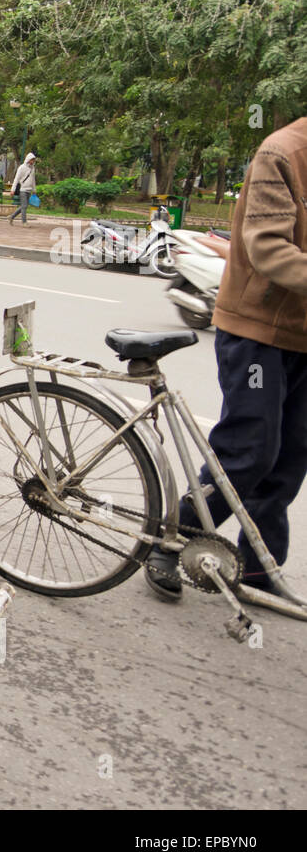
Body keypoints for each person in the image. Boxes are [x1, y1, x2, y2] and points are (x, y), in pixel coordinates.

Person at [145, 116, 307, 604]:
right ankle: (169, 540)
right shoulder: (281, 154)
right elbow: (268, 247)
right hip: (258, 330)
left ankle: (259, 572)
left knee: (288, 460)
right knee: (249, 452)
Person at [8, 152, 37, 226]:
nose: (33, 161)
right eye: (32, 160)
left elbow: (33, 180)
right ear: (28, 159)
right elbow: (16, 179)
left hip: (29, 190)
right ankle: (24, 222)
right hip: (23, 190)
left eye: (34, 160)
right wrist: (12, 190)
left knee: (24, 206)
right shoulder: (21, 167)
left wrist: (34, 190)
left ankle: (12, 216)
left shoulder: (32, 168)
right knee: (24, 206)